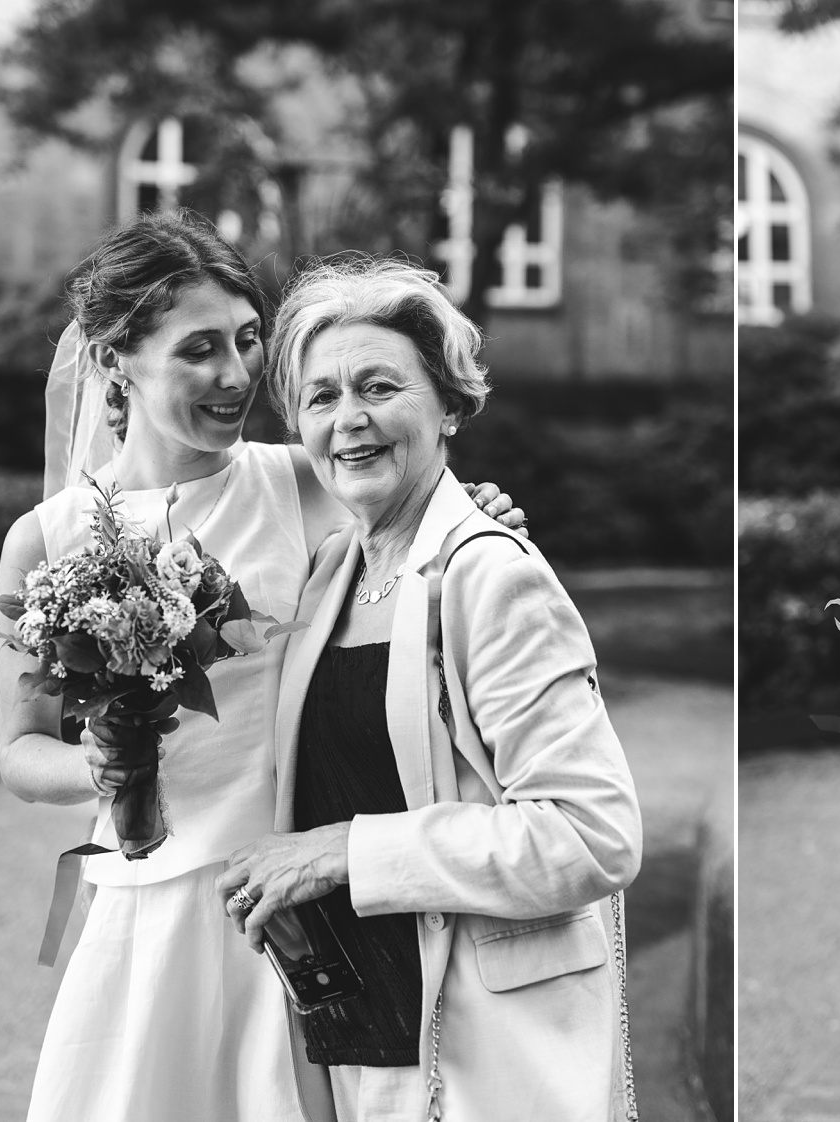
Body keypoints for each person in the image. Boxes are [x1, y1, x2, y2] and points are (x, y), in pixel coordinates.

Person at [0, 211, 521, 1122]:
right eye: (199, 349)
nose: (236, 376)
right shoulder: (46, 539)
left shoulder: (305, 480)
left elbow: (420, 531)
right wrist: (99, 763)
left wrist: (469, 514)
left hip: (293, 898)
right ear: (116, 360)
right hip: (145, 907)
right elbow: (19, 752)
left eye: (246, 342)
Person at [217, 259, 641, 1122]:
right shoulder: (332, 570)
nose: (350, 419)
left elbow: (593, 836)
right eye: (321, 397)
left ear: (448, 404)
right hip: (356, 1040)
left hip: (485, 1052)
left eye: (380, 386)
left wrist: (343, 851)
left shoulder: (490, 575)